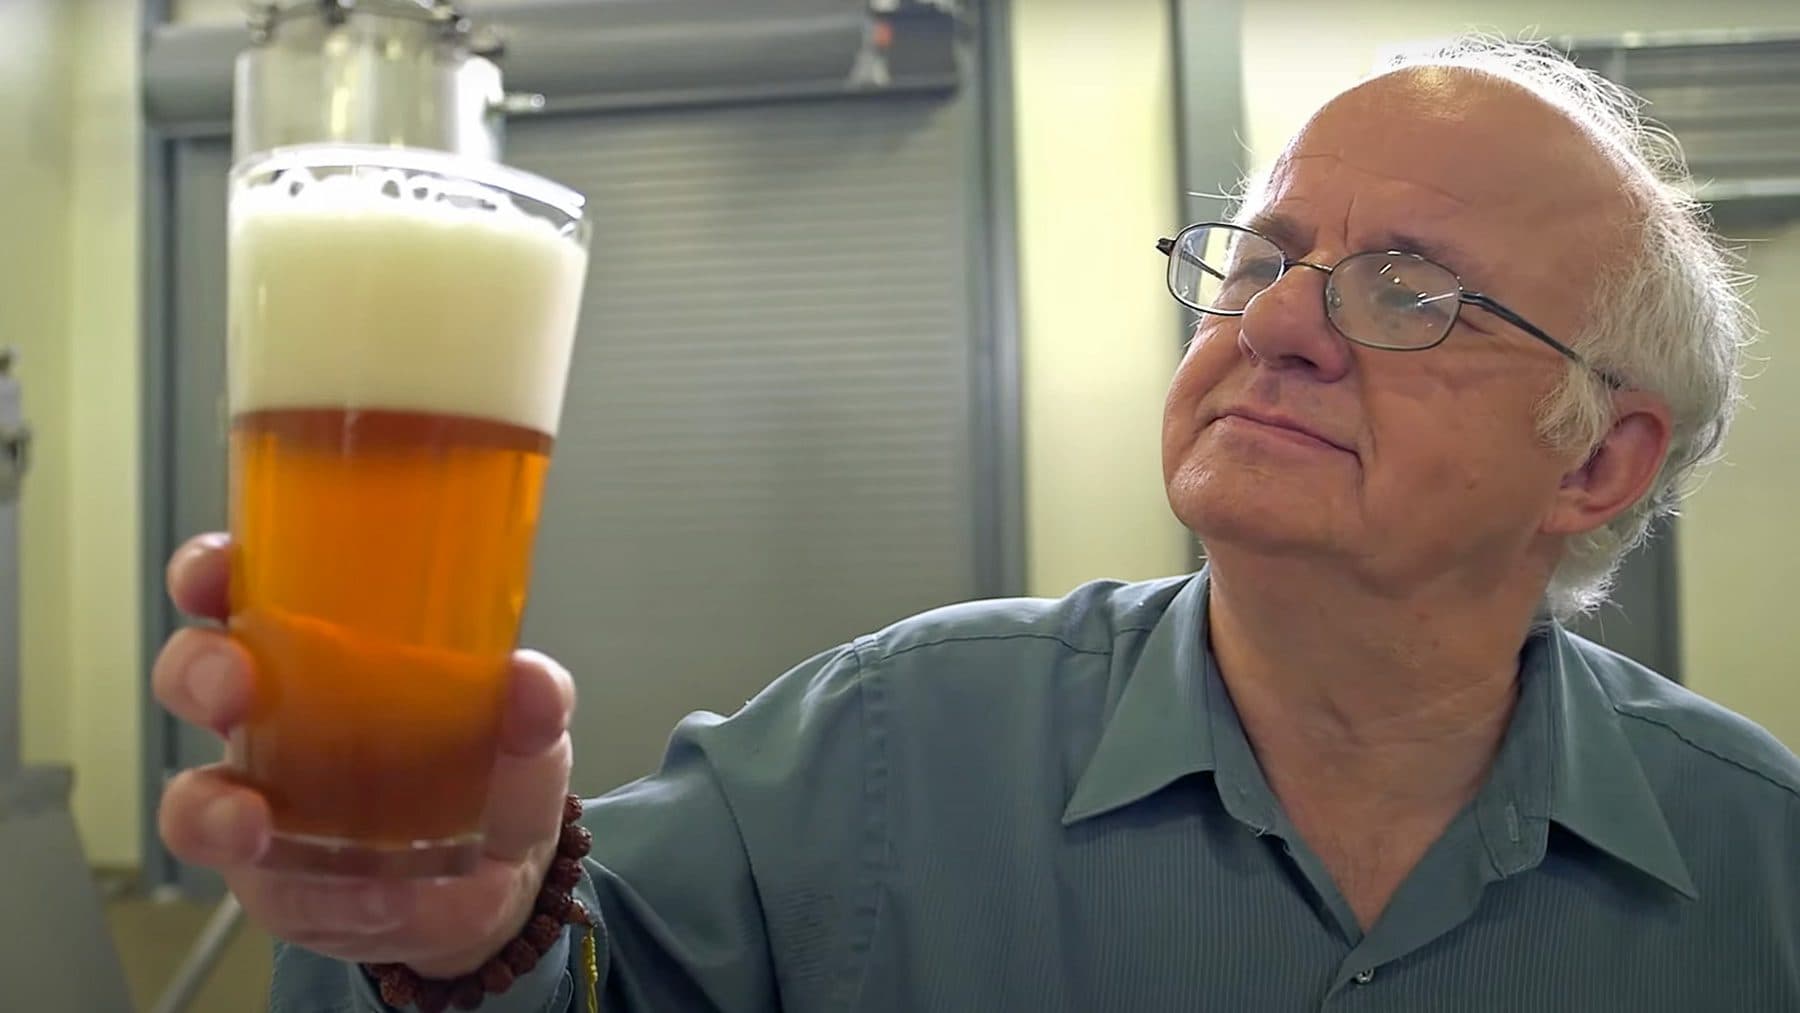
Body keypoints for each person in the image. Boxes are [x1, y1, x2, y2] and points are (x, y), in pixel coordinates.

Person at [154, 37, 1798, 1013]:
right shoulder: (878, 747)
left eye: (1414, 291)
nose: (1276, 324)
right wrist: (470, 939)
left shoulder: (1762, 873)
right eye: (1261, 254)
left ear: (1598, 462)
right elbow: (567, 982)